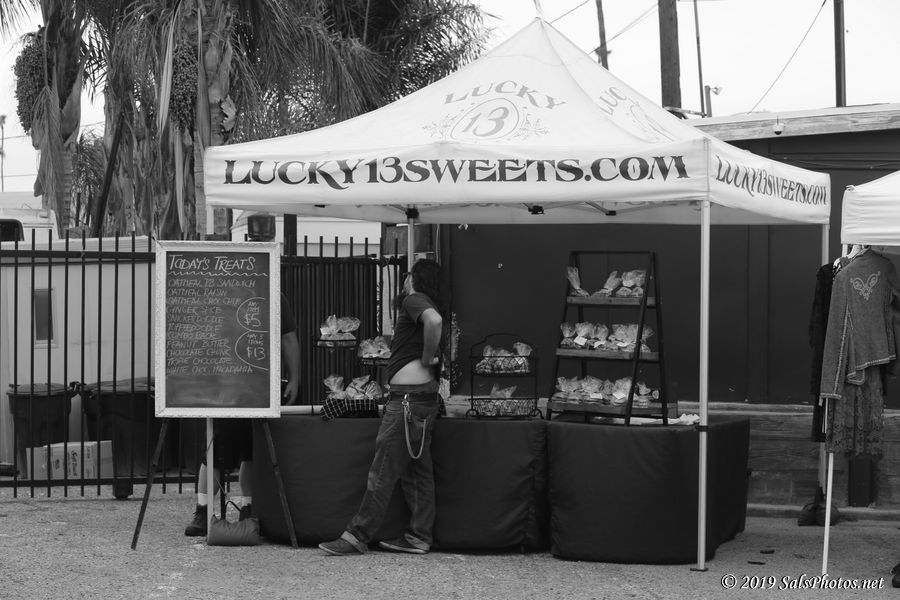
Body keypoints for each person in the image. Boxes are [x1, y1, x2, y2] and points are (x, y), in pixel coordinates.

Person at [319, 258, 444, 556]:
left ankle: (357, 535)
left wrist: (428, 357)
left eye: (408, 274)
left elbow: (434, 321)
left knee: (383, 470)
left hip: (407, 401)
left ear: (415, 279)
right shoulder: (428, 302)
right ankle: (419, 536)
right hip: (423, 399)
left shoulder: (414, 299)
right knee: (417, 472)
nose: (404, 279)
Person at [184, 293, 301, 536]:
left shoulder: (273, 292)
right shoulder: (215, 292)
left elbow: (288, 337)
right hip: (224, 387)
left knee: (253, 450)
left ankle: (248, 508)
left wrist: (294, 379)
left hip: (261, 386)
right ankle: (203, 510)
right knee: (215, 450)